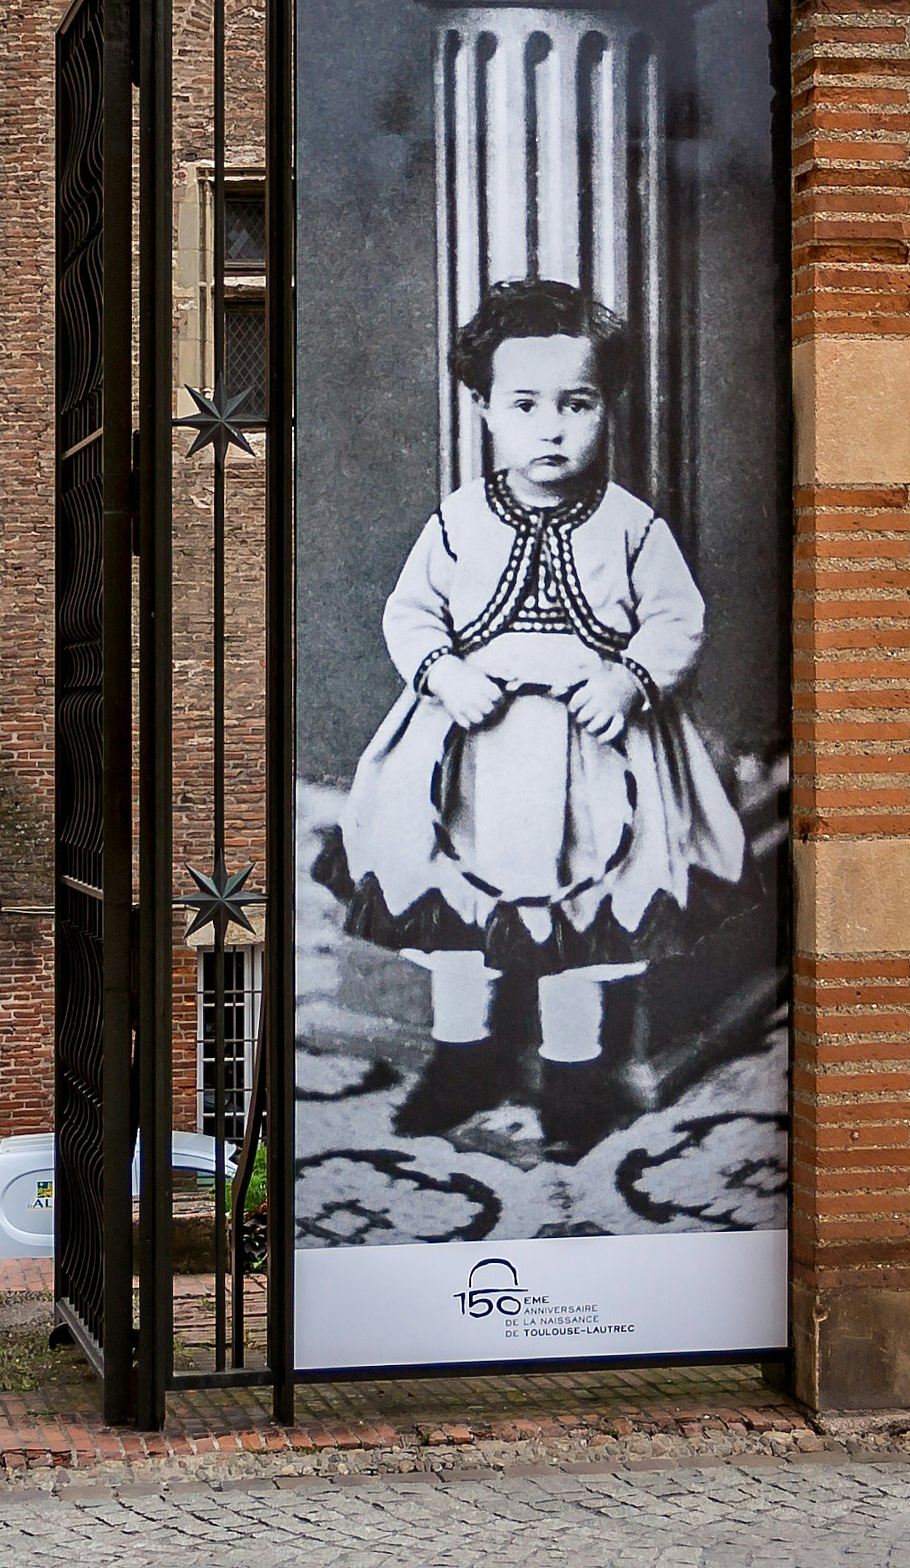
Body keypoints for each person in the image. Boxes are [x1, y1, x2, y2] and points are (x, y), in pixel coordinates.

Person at [318, 279, 746, 1162]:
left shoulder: (631, 526)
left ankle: (575, 1078)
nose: (551, 428)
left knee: (583, 919)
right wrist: (441, 669)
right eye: (524, 405)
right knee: (455, 915)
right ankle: (461, 1059)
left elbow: (677, 617)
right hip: (470, 759)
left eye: (576, 403)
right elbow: (411, 613)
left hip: (592, 764)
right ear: (482, 409)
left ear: (607, 407)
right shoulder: (459, 522)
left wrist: (631, 678)